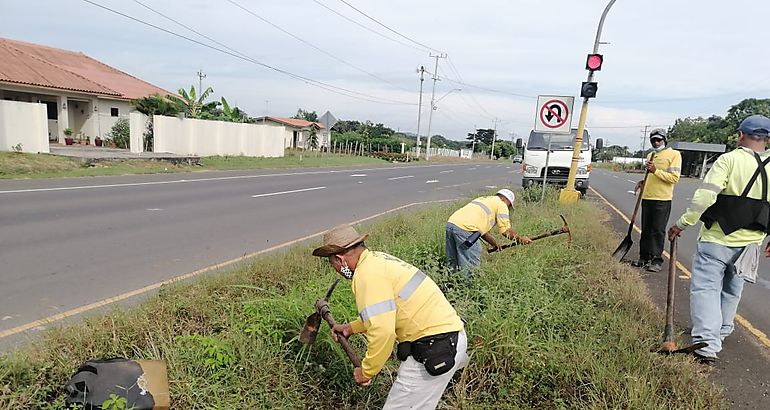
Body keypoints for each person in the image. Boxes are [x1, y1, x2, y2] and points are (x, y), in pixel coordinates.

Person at [312, 224, 469, 409]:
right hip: (451, 338)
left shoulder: (366, 275)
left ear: (340, 260)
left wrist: (367, 371)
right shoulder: (377, 260)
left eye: (333, 264)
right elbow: (384, 313)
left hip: (434, 347)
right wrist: (351, 328)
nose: (336, 270)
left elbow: (383, 332)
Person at [668, 114, 770, 364]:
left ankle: (706, 346)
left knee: (706, 289)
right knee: (732, 290)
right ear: (767, 139)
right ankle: (721, 331)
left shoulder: (729, 159)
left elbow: (705, 197)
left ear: (741, 135)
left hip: (718, 238)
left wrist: (683, 223)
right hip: (752, 243)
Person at [445, 189, 532, 272]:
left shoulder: (484, 199)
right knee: (470, 265)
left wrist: (494, 244)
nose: (508, 208)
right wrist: (520, 239)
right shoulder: (501, 204)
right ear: (506, 200)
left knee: (453, 261)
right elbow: (505, 230)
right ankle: (468, 285)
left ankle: (451, 284)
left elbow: (482, 232)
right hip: (466, 229)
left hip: (451, 224)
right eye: (509, 206)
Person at [632, 128, 682, 272]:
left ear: (664, 140)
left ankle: (656, 260)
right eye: (653, 140)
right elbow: (651, 176)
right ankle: (644, 258)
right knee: (646, 230)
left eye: (658, 140)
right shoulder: (651, 155)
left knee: (657, 230)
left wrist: (656, 171)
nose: (656, 142)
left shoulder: (674, 155)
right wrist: (643, 182)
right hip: (647, 197)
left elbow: (674, 178)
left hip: (662, 199)